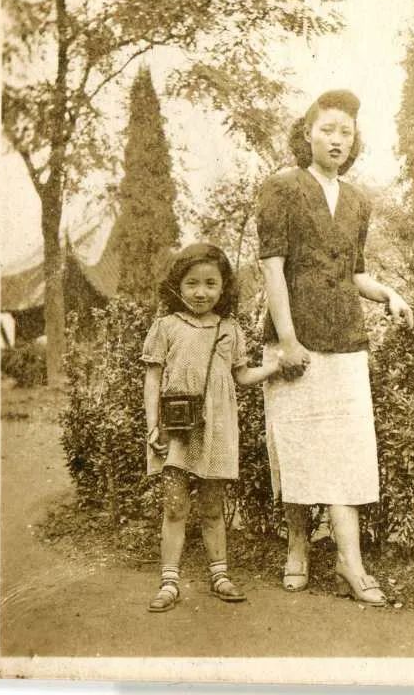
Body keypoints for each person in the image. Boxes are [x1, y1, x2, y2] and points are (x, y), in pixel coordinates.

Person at [256, 90, 414, 606]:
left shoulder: (359, 201)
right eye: (327, 129)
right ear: (307, 134)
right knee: (297, 445)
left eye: (346, 131)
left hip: (346, 342)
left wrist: (388, 294)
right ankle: (297, 548)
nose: (337, 139)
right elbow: (272, 267)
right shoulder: (281, 187)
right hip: (294, 341)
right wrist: (287, 341)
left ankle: (350, 562)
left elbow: (355, 273)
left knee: (347, 451)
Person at [142, 242, 280, 612]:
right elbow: (152, 379)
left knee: (213, 506)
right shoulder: (166, 327)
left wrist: (275, 367)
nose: (201, 292)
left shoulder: (230, 329)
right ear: (177, 285)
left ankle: (219, 575)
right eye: (191, 283)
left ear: (223, 287)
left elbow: (242, 375)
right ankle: (169, 582)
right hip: (175, 431)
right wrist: (153, 425)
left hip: (217, 429)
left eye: (210, 283)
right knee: (175, 507)